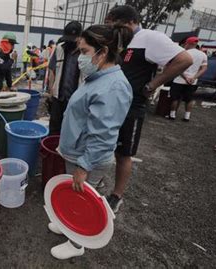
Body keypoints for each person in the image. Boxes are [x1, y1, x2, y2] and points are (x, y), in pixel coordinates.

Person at [48, 24, 134, 260]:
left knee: (81, 201)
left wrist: (84, 166)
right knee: (72, 195)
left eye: (84, 52)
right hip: (77, 152)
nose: (80, 58)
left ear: (102, 52)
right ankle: (68, 226)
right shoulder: (97, 76)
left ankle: (76, 243)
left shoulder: (113, 86)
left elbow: (103, 134)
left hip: (88, 158)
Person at [105, 5, 193, 212]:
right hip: (113, 105)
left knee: (124, 153)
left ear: (128, 22)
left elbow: (185, 59)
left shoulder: (150, 38)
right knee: (107, 146)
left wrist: (153, 85)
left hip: (132, 106)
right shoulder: (122, 40)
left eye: (114, 25)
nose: (112, 30)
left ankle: (117, 196)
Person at [47, 21, 82, 135]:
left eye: (73, 39)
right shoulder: (59, 48)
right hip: (59, 96)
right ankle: (52, 148)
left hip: (75, 99)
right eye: (67, 38)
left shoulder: (85, 52)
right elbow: (52, 70)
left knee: (70, 129)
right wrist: (51, 90)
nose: (69, 42)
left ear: (80, 37)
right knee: (54, 127)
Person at [169, 36, 208, 121]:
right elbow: (204, 68)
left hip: (179, 79)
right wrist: (194, 77)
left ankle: (172, 115)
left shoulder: (182, 53)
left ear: (188, 43)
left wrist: (185, 77)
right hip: (192, 81)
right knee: (189, 99)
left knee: (175, 98)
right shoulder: (203, 55)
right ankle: (187, 116)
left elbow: (177, 67)